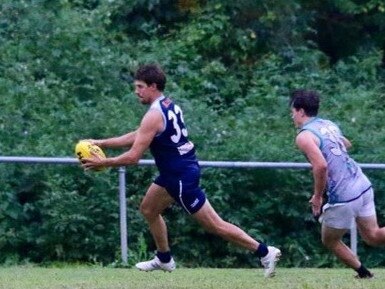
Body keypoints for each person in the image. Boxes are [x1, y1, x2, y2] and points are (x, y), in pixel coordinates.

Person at [81, 63, 281, 277]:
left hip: (180, 176)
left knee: (215, 224)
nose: (136, 91)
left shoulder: (153, 115)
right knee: (148, 209)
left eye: (140, 86)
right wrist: (101, 142)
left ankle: (264, 252)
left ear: (153, 86)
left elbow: (133, 157)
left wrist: (103, 163)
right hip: (175, 172)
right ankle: (164, 259)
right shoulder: (167, 105)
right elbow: (137, 135)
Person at [290, 89, 385, 278]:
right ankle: (365, 275)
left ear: (301, 111)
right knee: (373, 236)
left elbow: (321, 166)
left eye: (292, 111)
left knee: (330, 240)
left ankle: (364, 274)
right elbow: (346, 144)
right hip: (361, 183)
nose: (291, 116)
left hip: (344, 194)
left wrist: (317, 196)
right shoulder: (328, 124)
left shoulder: (304, 136)